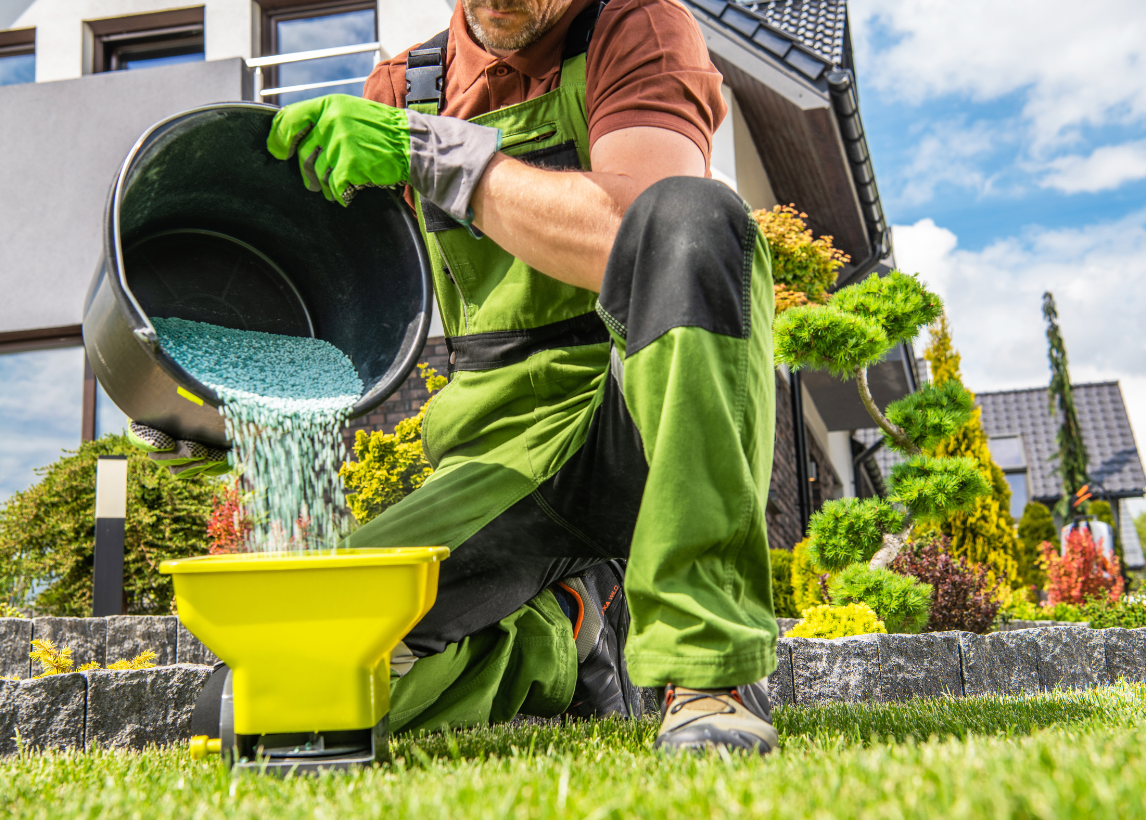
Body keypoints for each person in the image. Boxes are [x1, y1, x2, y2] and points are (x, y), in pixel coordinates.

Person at [133, 0, 780, 754]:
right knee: (268, 700)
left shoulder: (634, 27)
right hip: (504, 452)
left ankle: (707, 679)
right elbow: (337, 287)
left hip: (651, 416)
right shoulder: (405, 89)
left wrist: (440, 157)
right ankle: (560, 641)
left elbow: (634, 231)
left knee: (696, 216)